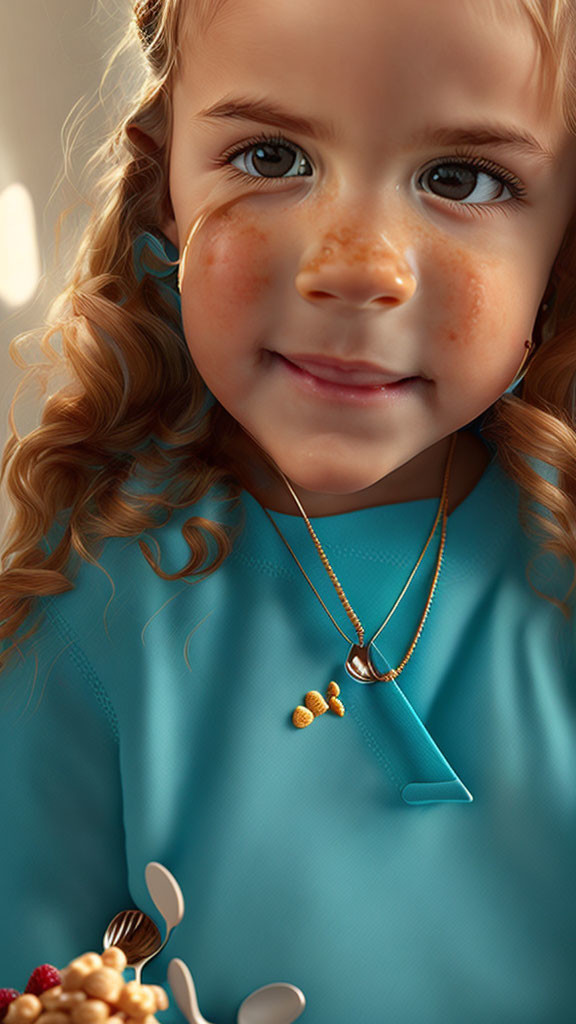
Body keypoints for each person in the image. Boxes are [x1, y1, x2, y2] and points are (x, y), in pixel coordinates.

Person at [2, 0, 576, 1020]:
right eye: (271, 157)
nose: (354, 264)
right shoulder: (89, 591)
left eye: (462, 178)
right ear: (162, 187)